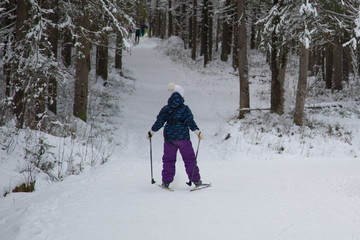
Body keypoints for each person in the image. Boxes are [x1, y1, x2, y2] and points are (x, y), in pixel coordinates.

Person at [147, 83, 204, 189]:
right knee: (189, 159)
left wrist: (151, 132)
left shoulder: (166, 109)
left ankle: (166, 182)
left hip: (170, 140)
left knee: (168, 160)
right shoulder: (185, 109)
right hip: (184, 139)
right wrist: (197, 132)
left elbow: (159, 121)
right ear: (182, 96)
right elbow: (190, 122)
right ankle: (196, 180)